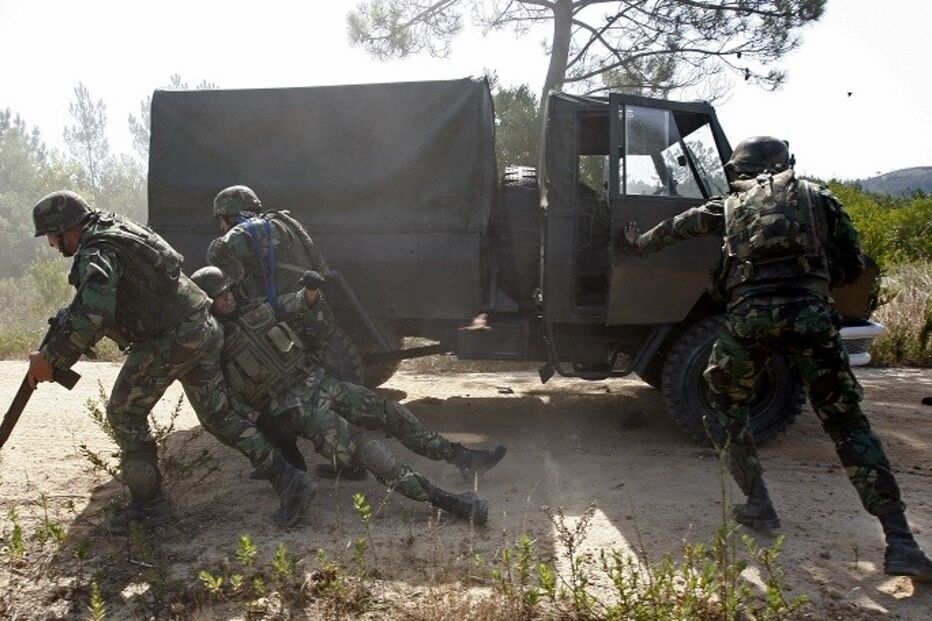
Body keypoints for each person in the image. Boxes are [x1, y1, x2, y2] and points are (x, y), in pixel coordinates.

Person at [621, 137, 932, 579]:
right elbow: (851, 264)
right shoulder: (817, 197)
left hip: (749, 320)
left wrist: (638, 243)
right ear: (785, 163)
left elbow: (677, 228)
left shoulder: (727, 205)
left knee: (723, 407)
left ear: (738, 170)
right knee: (847, 424)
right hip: (810, 319)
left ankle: (759, 504)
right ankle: (900, 540)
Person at [27, 191, 315, 533]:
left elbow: (94, 313)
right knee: (220, 417)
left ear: (66, 228)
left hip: (173, 339)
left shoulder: (97, 250)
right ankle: (291, 481)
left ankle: (149, 507)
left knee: (124, 413)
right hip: (202, 325)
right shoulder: (118, 229)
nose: (51, 244)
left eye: (52, 236)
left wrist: (53, 358)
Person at [190, 266, 492, 523]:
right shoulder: (213, 346)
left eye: (228, 291)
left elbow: (296, 306)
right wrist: (259, 419)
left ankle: (460, 457)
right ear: (208, 303)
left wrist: (310, 294)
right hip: (298, 410)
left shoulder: (261, 309)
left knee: (390, 413)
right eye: (218, 296)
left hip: (322, 383)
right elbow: (224, 396)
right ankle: (450, 502)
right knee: (369, 452)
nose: (226, 298)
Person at [206, 185, 328, 305]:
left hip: (290, 309)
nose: (222, 227)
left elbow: (215, 255)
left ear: (230, 216)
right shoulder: (276, 224)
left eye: (221, 220)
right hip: (301, 304)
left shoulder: (256, 228)